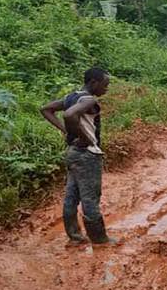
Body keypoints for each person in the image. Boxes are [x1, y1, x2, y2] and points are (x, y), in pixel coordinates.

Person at [40, 68, 117, 245]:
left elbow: (46, 109)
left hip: (72, 153)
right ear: (93, 83)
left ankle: (74, 237)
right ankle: (99, 239)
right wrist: (84, 137)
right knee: (90, 197)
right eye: (105, 85)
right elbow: (69, 114)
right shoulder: (89, 99)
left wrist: (66, 131)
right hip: (88, 154)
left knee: (71, 196)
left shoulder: (70, 97)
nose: (106, 89)